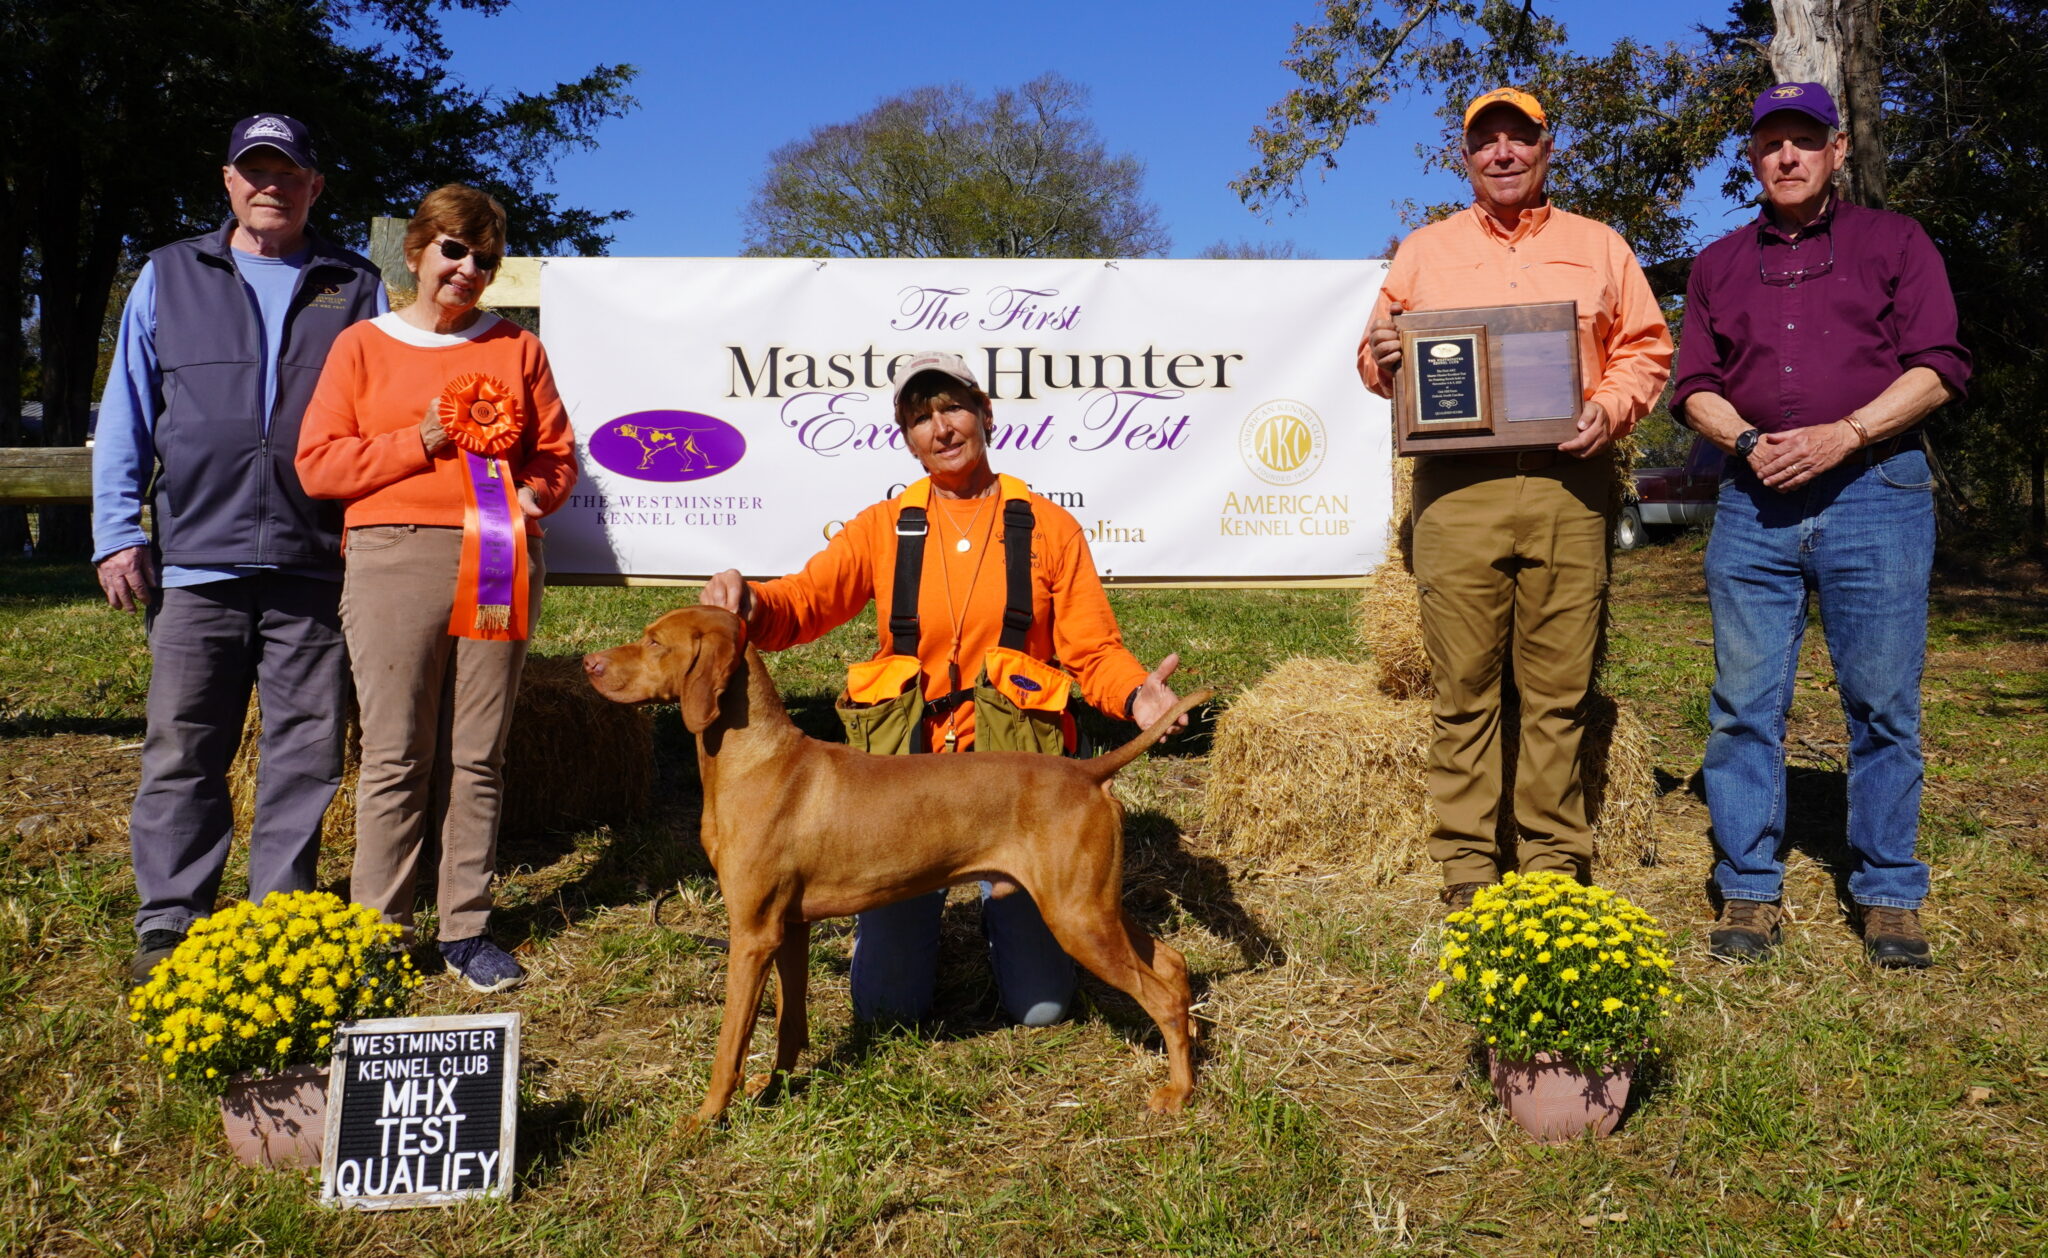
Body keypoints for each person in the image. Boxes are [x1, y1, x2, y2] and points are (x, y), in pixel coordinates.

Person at [698, 351, 1186, 1027]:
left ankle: (1007, 904)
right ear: (906, 435)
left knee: (1040, 1008)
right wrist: (749, 602)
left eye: (952, 407)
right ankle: (932, 921)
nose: (941, 428)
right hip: (904, 792)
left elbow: (1093, 649)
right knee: (886, 1009)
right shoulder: (883, 527)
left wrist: (1138, 697)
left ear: (985, 413)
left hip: (1010, 794)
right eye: (921, 417)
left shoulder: (1047, 527)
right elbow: (805, 602)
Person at [1672, 83, 1970, 968]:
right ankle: (1750, 887)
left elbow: (1942, 366)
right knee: (1742, 705)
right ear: (1755, 160)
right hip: (1754, 501)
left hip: (1877, 490)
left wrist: (1847, 433)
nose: (1789, 158)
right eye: (1773, 145)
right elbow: (1693, 386)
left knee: (1882, 704)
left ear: (1837, 151)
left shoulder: (1897, 242)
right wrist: (1751, 440)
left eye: (1807, 141)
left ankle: (1886, 890)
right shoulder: (1718, 263)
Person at [1358, 88, 1673, 910]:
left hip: (1570, 487)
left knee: (1557, 692)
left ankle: (1551, 864)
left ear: (1546, 148)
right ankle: (1467, 867)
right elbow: (1374, 361)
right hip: (1455, 494)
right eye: (1485, 141)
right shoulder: (1422, 252)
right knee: (1463, 691)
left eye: (1518, 139)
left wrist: (1609, 406)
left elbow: (1645, 348)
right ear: (1465, 157)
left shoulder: (1600, 246)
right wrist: (1386, 352)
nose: (1502, 153)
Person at [92, 114, 386, 986]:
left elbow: (384, 414)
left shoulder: (355, 282)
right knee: (184, 745)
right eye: (254, 170)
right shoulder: (171, 274)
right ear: (227, 181)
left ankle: (281, 918)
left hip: (312, 558)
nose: (271, 185)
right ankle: (172, 922)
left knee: (304, 750)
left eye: (288, 171)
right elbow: (127, 412)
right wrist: (118, 530)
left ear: (314, 186)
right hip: (197, 558)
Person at [296, 185, 577, 992]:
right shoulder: (360, 346)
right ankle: (380, 933)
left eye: (484, 259)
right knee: (394, 754)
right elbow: (319, 464)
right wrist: (419, 440)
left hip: (496, 558)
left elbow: (556, 458)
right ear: (416, 252)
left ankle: (466, 929)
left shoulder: (518, 350)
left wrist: (530, 500)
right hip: (390, 557)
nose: (467, 270)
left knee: (478, 754)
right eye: (454, 250)